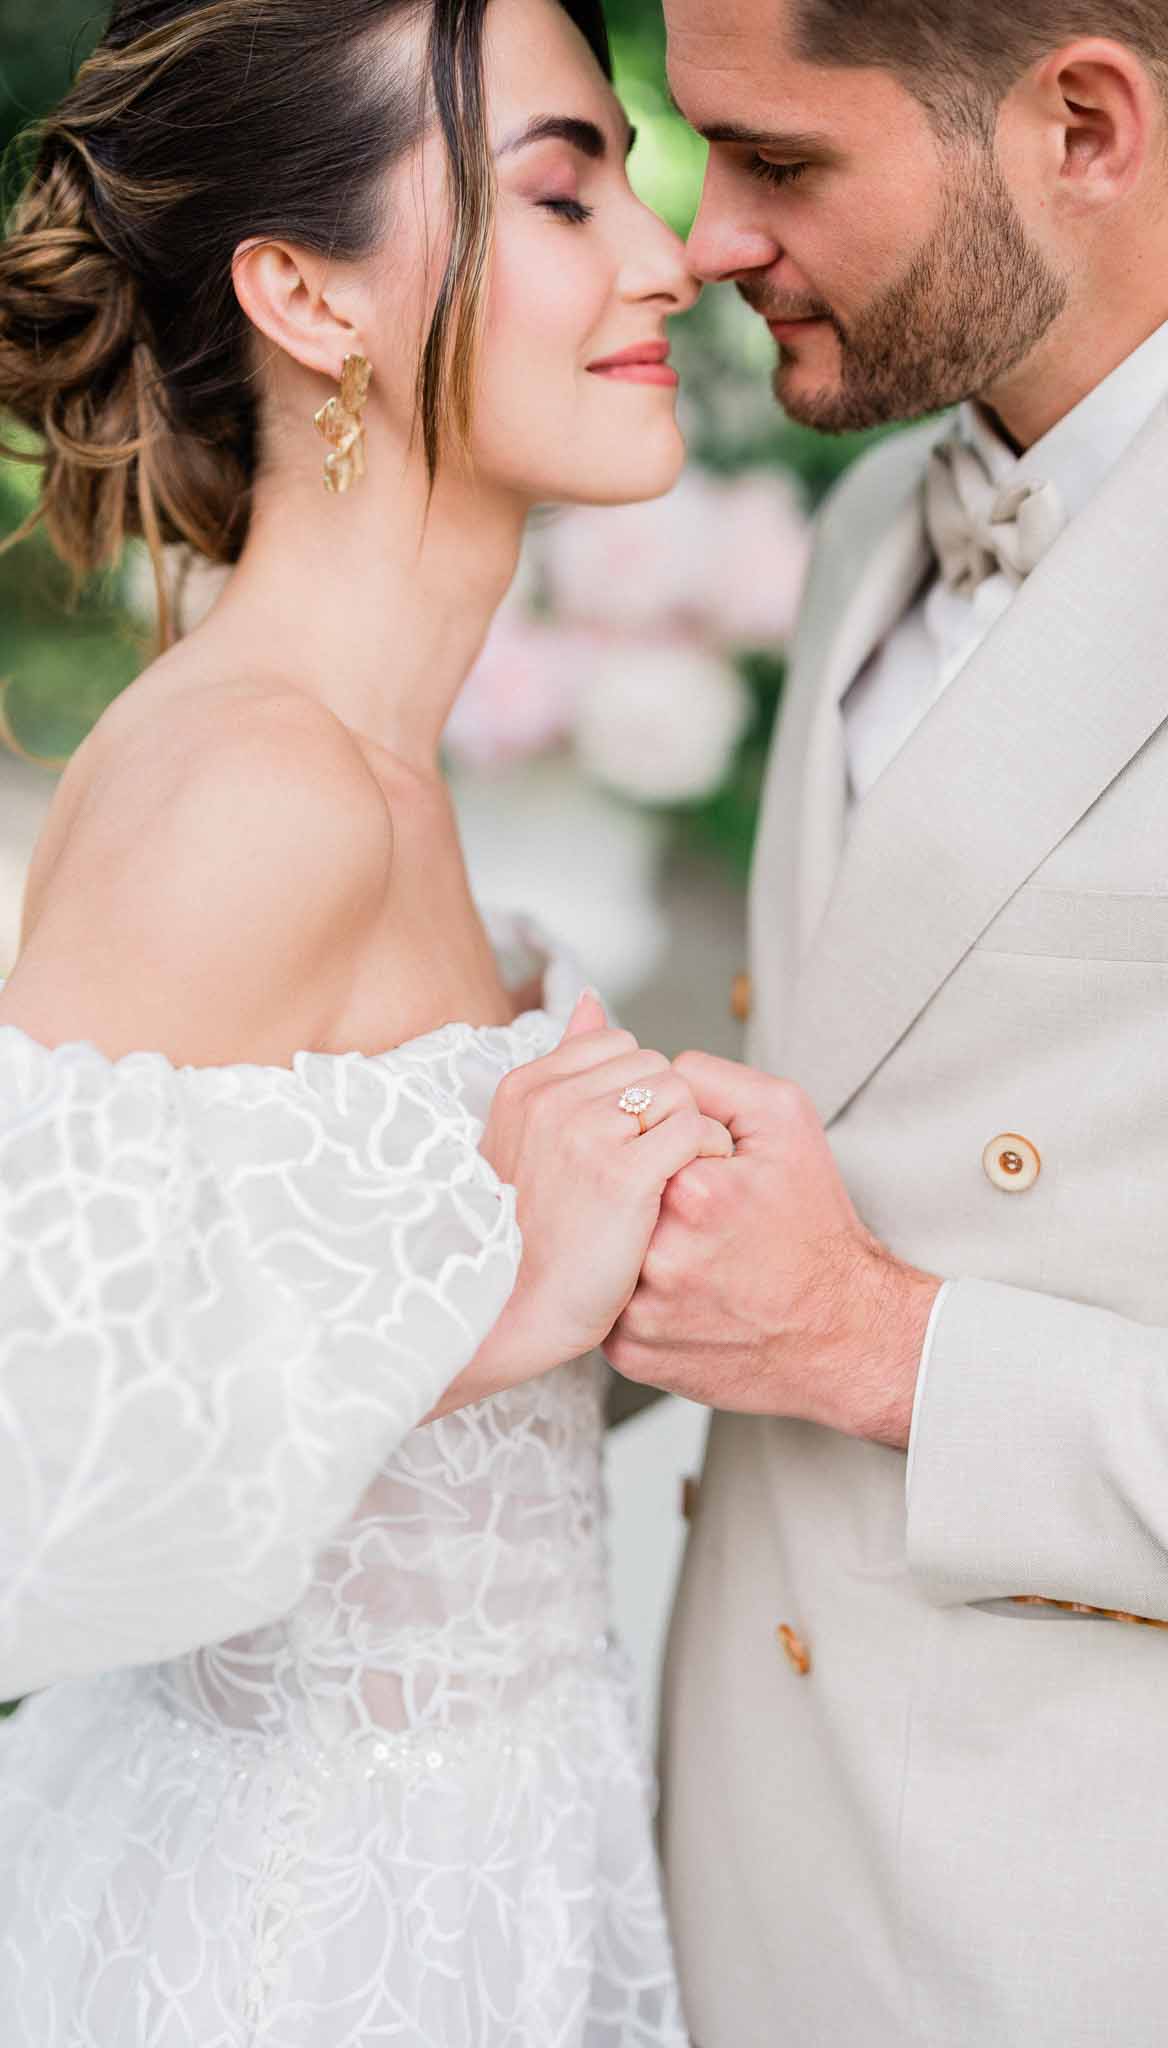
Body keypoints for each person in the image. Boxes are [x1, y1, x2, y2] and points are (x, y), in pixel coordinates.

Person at [601, 2, 1168, 2044]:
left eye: (782, 165)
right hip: (747, 1898)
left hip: (1127, 1959)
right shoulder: (872, 527)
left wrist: (880, 1346)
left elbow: (847, 1301)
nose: (701, 242)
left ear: (1084, 123)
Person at [0, 0, 729, 2037]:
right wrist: (505, 1298)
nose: (664, 258)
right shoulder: (259, 792)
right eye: (567, 192)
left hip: (502, 1886)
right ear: (305, 293)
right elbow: (28, 1462)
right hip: (287, 1945)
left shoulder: (386, 781)